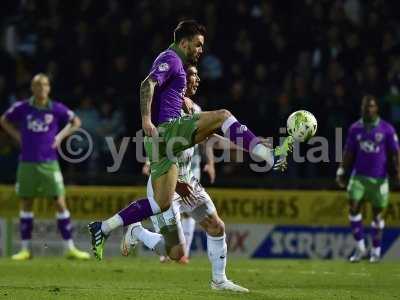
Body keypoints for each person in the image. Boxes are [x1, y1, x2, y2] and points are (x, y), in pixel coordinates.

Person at [89, 19, 293, 261]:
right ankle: (270, 157)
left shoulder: (176, 69)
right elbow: (147, 84)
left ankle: (102, 228)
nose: (201, 50)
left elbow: (209, 135)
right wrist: (146, 120)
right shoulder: (171, 59)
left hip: (161, 145)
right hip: (167, 131)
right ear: (184, 42)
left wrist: (249, 145)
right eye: (197, 45)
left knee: (161, 208)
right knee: (224, 115)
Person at [121, 65, 248, 292]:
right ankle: (136, 231)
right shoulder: (163, 109)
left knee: (217, 227)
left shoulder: (194, 108)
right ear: (178, 79)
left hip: (189, 181)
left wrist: (246, 147)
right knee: (176, 253)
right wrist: (153, 166)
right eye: (191, 74)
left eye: (198, 74)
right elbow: (155, 143)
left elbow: (208, 138)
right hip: (168, 185)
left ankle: (219, 281)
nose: (197, 79)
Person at [0, 73, 90, 260]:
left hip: (49, 163)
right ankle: (25, 249)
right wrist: (16, 136)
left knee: (59, 201)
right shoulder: (23, 107)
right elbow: (4, 120)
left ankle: (70, 248)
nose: (41, 88)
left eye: (45, 85)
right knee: (26, 202)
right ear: (32, 88)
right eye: (37, 85)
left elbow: (76, 122)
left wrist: (60, 136)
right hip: (27, 163)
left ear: (49, 88)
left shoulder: (56, 109)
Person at [336, 95, 400, 263]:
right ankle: (360, 248)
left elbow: (395, 152)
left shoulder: (387, 129)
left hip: (379, 179)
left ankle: (376, 251)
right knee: (353, 205)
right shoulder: (355, 129)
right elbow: (349, 152)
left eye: (371, 106)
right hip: (358, 177)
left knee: (378, 216)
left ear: (376, 108)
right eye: (365, 107)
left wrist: (397, 171)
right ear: (362, 109)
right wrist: (342, 170)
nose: (368, 109)